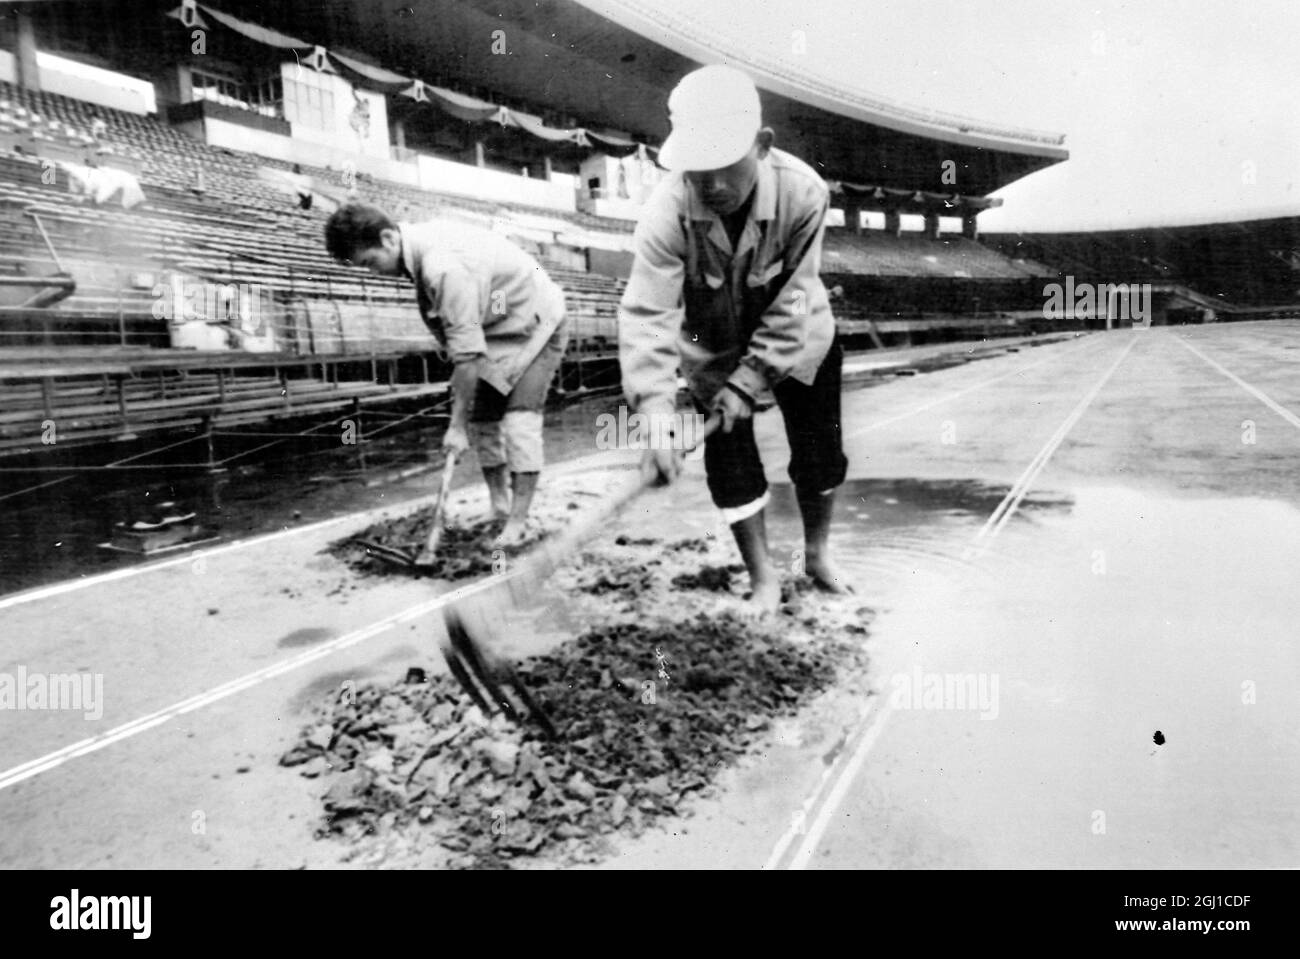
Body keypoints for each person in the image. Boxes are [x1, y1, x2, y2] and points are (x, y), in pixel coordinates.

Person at [618, 64, 851, 613]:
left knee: (819, 452)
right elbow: (647, 314)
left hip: (799, 339)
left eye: (726, 166)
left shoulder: (804, 193)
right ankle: (764, 578)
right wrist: (654, 416)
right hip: (713, 347)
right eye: (699, 171)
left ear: (762, 144)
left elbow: (794, 299)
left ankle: (816, 555)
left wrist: (749, 384)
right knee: (730, 464)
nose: (713, 186)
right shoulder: (664, 213)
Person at [324, 202, 569, 546]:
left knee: (518, 424)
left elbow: (467, 357)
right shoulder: (418, 252)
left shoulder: (443, 267)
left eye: (370, 262)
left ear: (388, 238)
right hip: (496, 329)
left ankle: (517, 522)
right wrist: (464, 418)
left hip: (536, 324)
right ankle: (500, 505)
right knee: (484, 424)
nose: (374, 272)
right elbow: (462, 348)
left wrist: (455, 427)